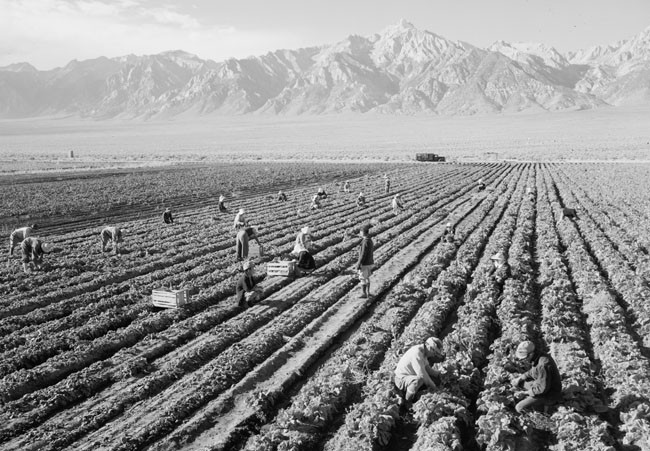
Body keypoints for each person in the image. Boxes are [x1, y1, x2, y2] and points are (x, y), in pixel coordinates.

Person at [511, 340, 562, 413]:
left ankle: (545, 408)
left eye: (524, 358)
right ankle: (531, 399)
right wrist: (520, 378)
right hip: (541, 384)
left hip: (549, 394)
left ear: (531, 354)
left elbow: (542, 389)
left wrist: (525, 393)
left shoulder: (543, 365)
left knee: (519, 408)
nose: (523, 360)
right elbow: (533, 372)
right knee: (521, 383)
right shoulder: (537, 356)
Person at [394, 337, 446, 401]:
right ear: (430, 348)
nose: (433, 355)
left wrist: (438, 374)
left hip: (411, 375)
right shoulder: (417, 354)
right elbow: (422, 374)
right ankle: (408, 400)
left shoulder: (424, 352)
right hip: (401, 379)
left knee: (432, 379)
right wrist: (434, 387)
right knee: (419, 380)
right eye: (434, 353)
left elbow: (427, 368)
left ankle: (416, 393)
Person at [356, 224, 374, 298]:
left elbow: (363, 254)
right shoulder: (369, 240)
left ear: (363, 232)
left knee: (362, 277)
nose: (359, 233)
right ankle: (368, 292)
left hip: (365, 263)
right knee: (367, 277)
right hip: (370, 262)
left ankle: (364, 293)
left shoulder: (365, 241)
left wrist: (359, 263)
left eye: (360, 232)